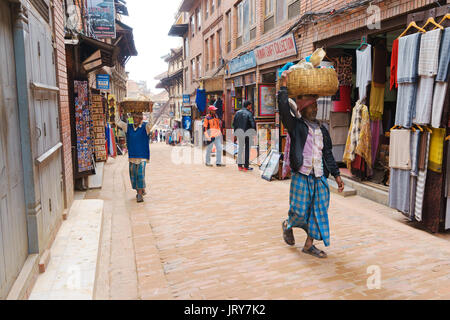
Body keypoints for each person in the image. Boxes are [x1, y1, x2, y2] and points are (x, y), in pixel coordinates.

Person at [279, 69, 344, 259]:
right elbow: (283, 109)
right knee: (299, 211)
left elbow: (328, 154)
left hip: (319, 177)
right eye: (311, 107)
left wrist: (337, 176)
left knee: (318, 212)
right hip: (302, 175)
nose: (315, 110)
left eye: (316, 106)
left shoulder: (322, 130)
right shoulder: (296, 127)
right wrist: (283, 86)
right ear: (303, 110)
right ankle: (287, 225)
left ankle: (309, 246)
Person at [116, 110, 151, 203]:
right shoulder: (128, 127)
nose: (135, 120)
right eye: (134, 118)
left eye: (137, 118)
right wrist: (118, 110)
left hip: (142, 155)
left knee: (140, 174)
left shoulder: (145, 127)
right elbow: (117, 122)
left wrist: (150, 111)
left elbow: (152, 122)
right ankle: (140, 189)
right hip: (132, 156)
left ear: (140, 119)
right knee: (133, 175)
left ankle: (139, 194)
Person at [233, 100, 256, 171]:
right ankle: (246, 166)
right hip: (248, 134)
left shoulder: (237, 113)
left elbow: (234, 124)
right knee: (247, 150)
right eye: (250, 105)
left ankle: (240, 166)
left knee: (240, 149)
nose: (251, 106)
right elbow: (253, 124)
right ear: (248, 105)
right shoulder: (249, 113)